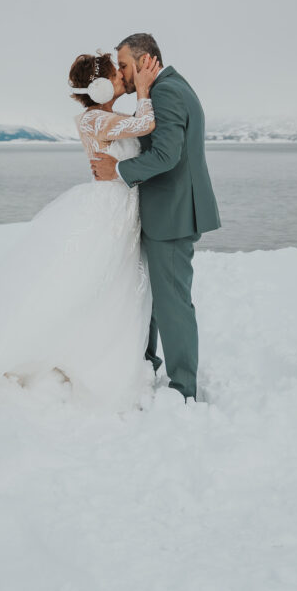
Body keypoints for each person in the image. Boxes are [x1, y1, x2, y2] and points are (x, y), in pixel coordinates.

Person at [0, 50, 161, 413]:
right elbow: (145, 125)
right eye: (115, 75)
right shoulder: (95, 120)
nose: (119, 79)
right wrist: (144, 88)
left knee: (115, 282)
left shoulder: (104, 117)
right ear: (98, 87)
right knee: (97, 280)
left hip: (121, 208)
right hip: (109, 210)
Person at [91, 33, 221, 402]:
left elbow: (166, 155)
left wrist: (118, 170)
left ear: (146, 61)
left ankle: (183, 389)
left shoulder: (167, 92)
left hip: (174, 214)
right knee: (152, 298)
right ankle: (147, 363)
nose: (121, 73)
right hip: (166, 212)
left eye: (124, 65)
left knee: (172, 303)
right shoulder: (165, 88)